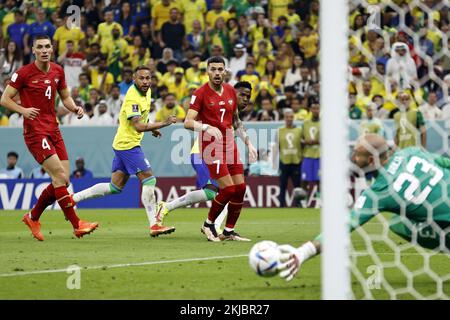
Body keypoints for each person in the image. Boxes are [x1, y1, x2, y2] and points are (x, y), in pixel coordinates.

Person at [276, 134, 450, 281]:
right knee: (401, 219)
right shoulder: (411, 152)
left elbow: (343, 227)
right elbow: (445, 162)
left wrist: (303, 252)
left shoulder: (379, 193)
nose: (353, 158)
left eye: (357, 155)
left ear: (371, 160)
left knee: (398, 224)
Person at [0, 35, 98, 241]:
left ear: (52, 49)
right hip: (35, 132)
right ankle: (77, 224)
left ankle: (33, 216)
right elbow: (4, 99)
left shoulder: (57, 71)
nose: (44, 50)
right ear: (33, 50)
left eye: (47, 47)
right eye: (40, 47)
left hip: (54, 129)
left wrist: (75, 108)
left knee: (64, 179)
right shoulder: (23, 73)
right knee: (60, 178)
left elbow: (65, 96)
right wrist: (23, 110)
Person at [72, 66, 178, 237]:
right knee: (149, 180)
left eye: (148, 78)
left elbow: (143, 117)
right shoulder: (132, 98)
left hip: (123, 144)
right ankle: (154, 225)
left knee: (115, 187)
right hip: (128, 145)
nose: (145, 82)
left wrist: (152, 128)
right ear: (134, 79)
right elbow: (137, 126)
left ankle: (73, 199)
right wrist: (163, 123)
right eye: (141, 78)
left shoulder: (147, 91)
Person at [156, 81, 256, 233]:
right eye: (242, 95)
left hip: (219, 153)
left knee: (231, 189)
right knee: (217, 191)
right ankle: (209, 224)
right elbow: (192, 122)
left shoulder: (231, 112)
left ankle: (218, 227)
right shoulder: (219, 104)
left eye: (248, 96)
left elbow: (238, 125)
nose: (245, 99)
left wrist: (249, 144)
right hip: (202, 153)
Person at [183, 57, 257, 242]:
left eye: (220, 69)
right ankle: (208, 225)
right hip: (211, 147)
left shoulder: (231, 91)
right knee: (228, 189)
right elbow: (187, 121)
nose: (217, 73)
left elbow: (237, 122)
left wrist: (249, 143)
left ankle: (229, 231)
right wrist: (206, 127)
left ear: (225, 72)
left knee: (240, 188)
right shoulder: (200, 93)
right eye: (213, 69)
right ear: (207, 71)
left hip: (230, 146)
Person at [274, 109, 303, 207]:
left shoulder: (299, 130)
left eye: (291, 117)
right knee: (282, 186)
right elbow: (277, 147)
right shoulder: (279, 130)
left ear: (293, 118)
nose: (289, 119)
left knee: (297, 186)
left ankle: (299, 205)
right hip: (284, 162)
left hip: (296, 162)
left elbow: (302, 145)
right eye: (287, 117)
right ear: (284, 118)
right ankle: (281, 205)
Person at [301, 102, 321, 207]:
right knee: (305, 180)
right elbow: (302, 138)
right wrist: (305, 142)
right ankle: (304, 202)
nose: (315, 110)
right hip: (307, 155)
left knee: (319, 180)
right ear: (310, 110)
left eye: (317, 108)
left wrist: (317, 141)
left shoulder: (324, 123)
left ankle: (318, 202)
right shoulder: (305, 123)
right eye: (313, 108)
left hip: (319, 155)